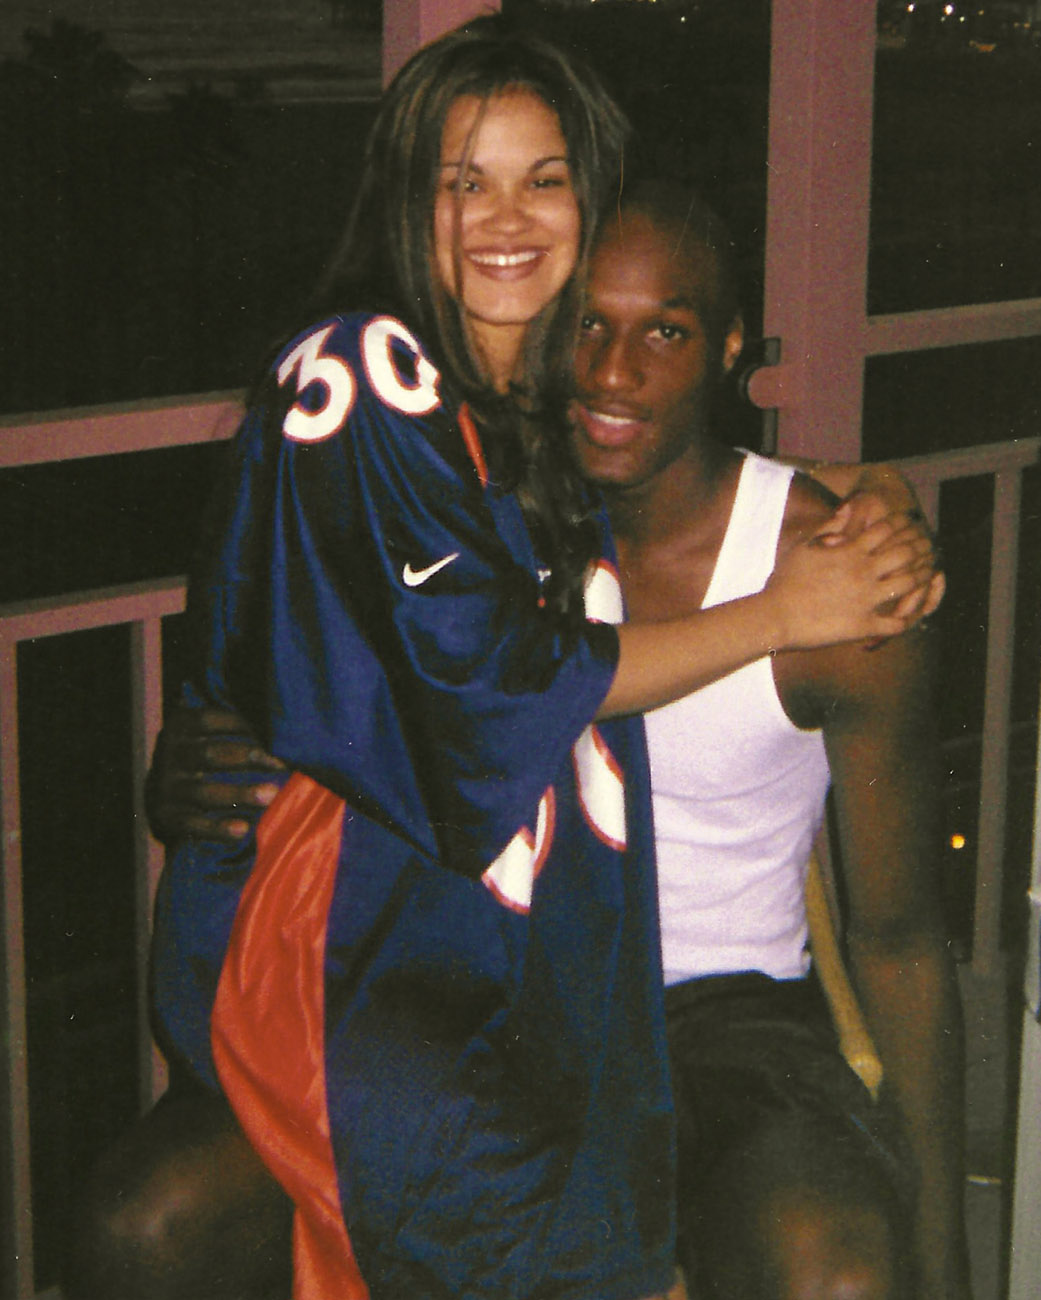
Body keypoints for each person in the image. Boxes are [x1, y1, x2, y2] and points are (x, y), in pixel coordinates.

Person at [64, 20, 938, 1300]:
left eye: (542, 178)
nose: (501, 217)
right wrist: (784, 605)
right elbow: (473, 677)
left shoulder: (530, 423)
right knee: (157, 1222)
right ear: (406, 199)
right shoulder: (380, 380)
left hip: (585, 984)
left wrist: (865, 498)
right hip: (422, 961)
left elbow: (708, 489)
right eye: (460, 180)